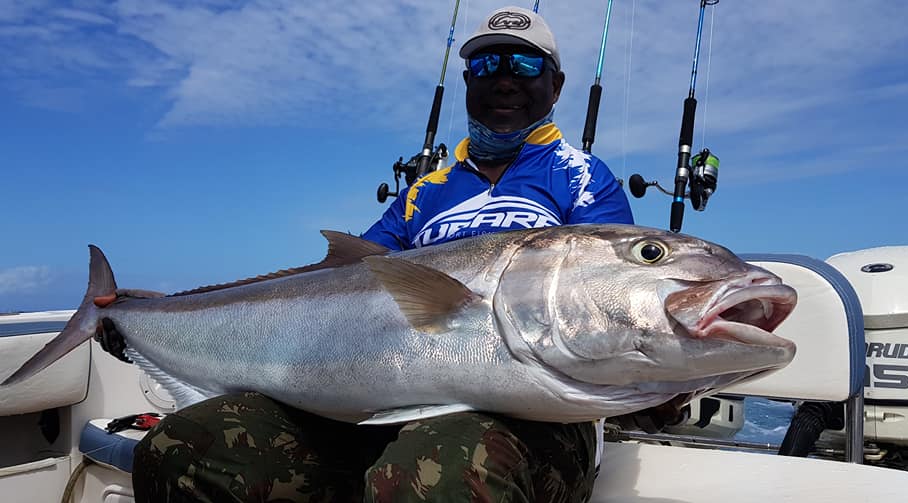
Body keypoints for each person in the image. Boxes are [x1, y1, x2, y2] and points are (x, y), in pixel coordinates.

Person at [131, 6, 644, 502]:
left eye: (525, 63)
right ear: (467, 82)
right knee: (183, 448)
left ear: (555, 84)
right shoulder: (426, 191)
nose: (504, 79)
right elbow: (347, 278)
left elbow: (614, 301)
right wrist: (150, 315)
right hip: (385, 413)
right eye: (486, 65)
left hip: (536, 423)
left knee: (438, 465)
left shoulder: (583, 179)